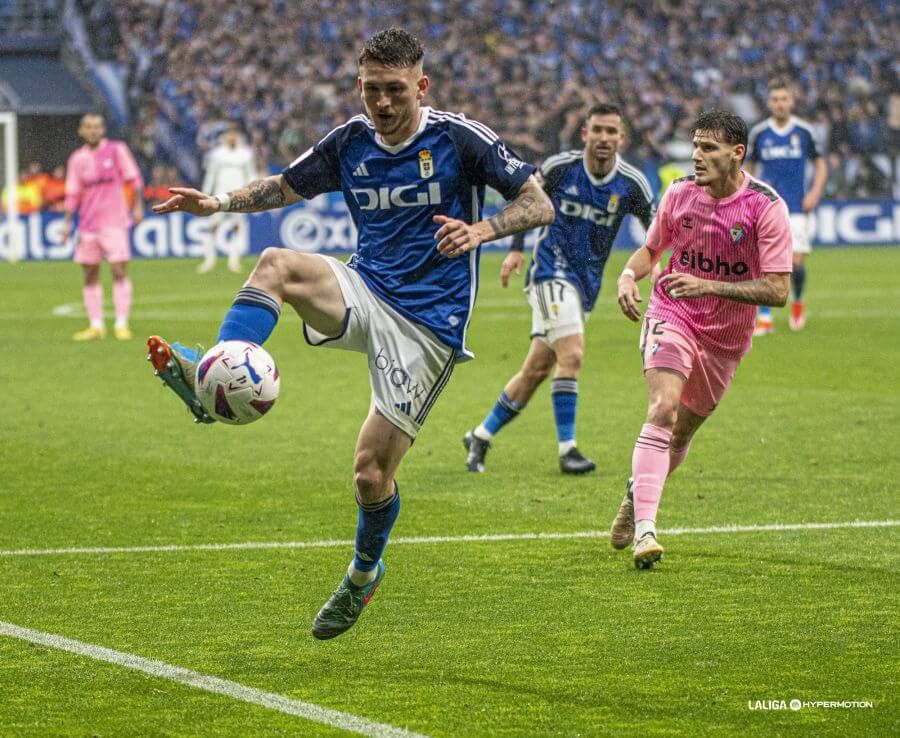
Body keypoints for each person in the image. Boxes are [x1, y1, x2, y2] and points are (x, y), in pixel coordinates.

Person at [146, 28, 553, 638]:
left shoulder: (459, 139)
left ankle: (363, 573)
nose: (382, 104)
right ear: (358, 85)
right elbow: (282, 188)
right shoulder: (350, 142)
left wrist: (482, 231)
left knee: (370, 474)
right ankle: (219, 369)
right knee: (276, 265)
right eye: (371, 91)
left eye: (395, 91)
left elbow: (537, 202)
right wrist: (219, 204)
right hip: (365, 290)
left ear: (421, 86)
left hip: (428, 326)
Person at [609, 109, 792, 569]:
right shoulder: (678, 194)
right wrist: (629, 276)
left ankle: (637, 491)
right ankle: (647, 531)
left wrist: (710, 285)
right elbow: (653, 249)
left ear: (737, 153)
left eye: (708, 148)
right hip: (672, 312)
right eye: (694, 146)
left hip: (726, 340)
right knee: (663, 409)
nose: (697, 156)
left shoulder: (765, 207)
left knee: (681, 432)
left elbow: (778, 290)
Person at [463, 104, 656, 475]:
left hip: (586, 284)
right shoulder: (559, 167)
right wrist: (517, 250)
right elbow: (528, 202)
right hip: (550, 272)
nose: (603, 138)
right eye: (597, 130)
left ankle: (481, 436)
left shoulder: (631, 183)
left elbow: (656, 227)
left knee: (536, 369)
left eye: (611, 131)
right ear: (585, 133)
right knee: (573, 355)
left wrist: (656, 262)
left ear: (621, 137)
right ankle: (568, 450)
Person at [747, 78, 826, 333]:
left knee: (796, 263)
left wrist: (814, 192)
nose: (780, 104)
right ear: (769, 103)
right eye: (775, 100)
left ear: (791, 102)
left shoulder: (803, 132)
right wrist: (748, 197)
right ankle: (766, 317)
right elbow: (748, 169)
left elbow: (821, 165)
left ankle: (798, 301)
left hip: (796, 206)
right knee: (764, 263)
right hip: (767, 208)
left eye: (784, 99)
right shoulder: (759, 133)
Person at [62, 113, 144, 341]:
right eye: (88, 127)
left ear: (103, 129)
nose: (93, 131)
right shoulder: (77, 159)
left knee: (119, 270)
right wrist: (67, 224)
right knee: (90, 273)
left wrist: (137, 207)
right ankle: (96, 325)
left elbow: (134, 180)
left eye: (97, 126)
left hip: (114, 222)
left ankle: (121, 323)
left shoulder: (117, 150)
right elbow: (72, 193)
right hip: (88, 224)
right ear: (81, 131)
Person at [197, 125, 259, 273]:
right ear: (225, 137)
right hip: (220, 194)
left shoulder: (245, 154)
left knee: (237, 227)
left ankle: (234, 260)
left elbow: (251, 175)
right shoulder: (218, 154)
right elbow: (211, 174)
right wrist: (205, 194)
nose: (232, 138)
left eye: (234, 134)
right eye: (229, 135)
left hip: (238, 195)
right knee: (213, 226)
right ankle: (209, 260)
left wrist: (255, 193)